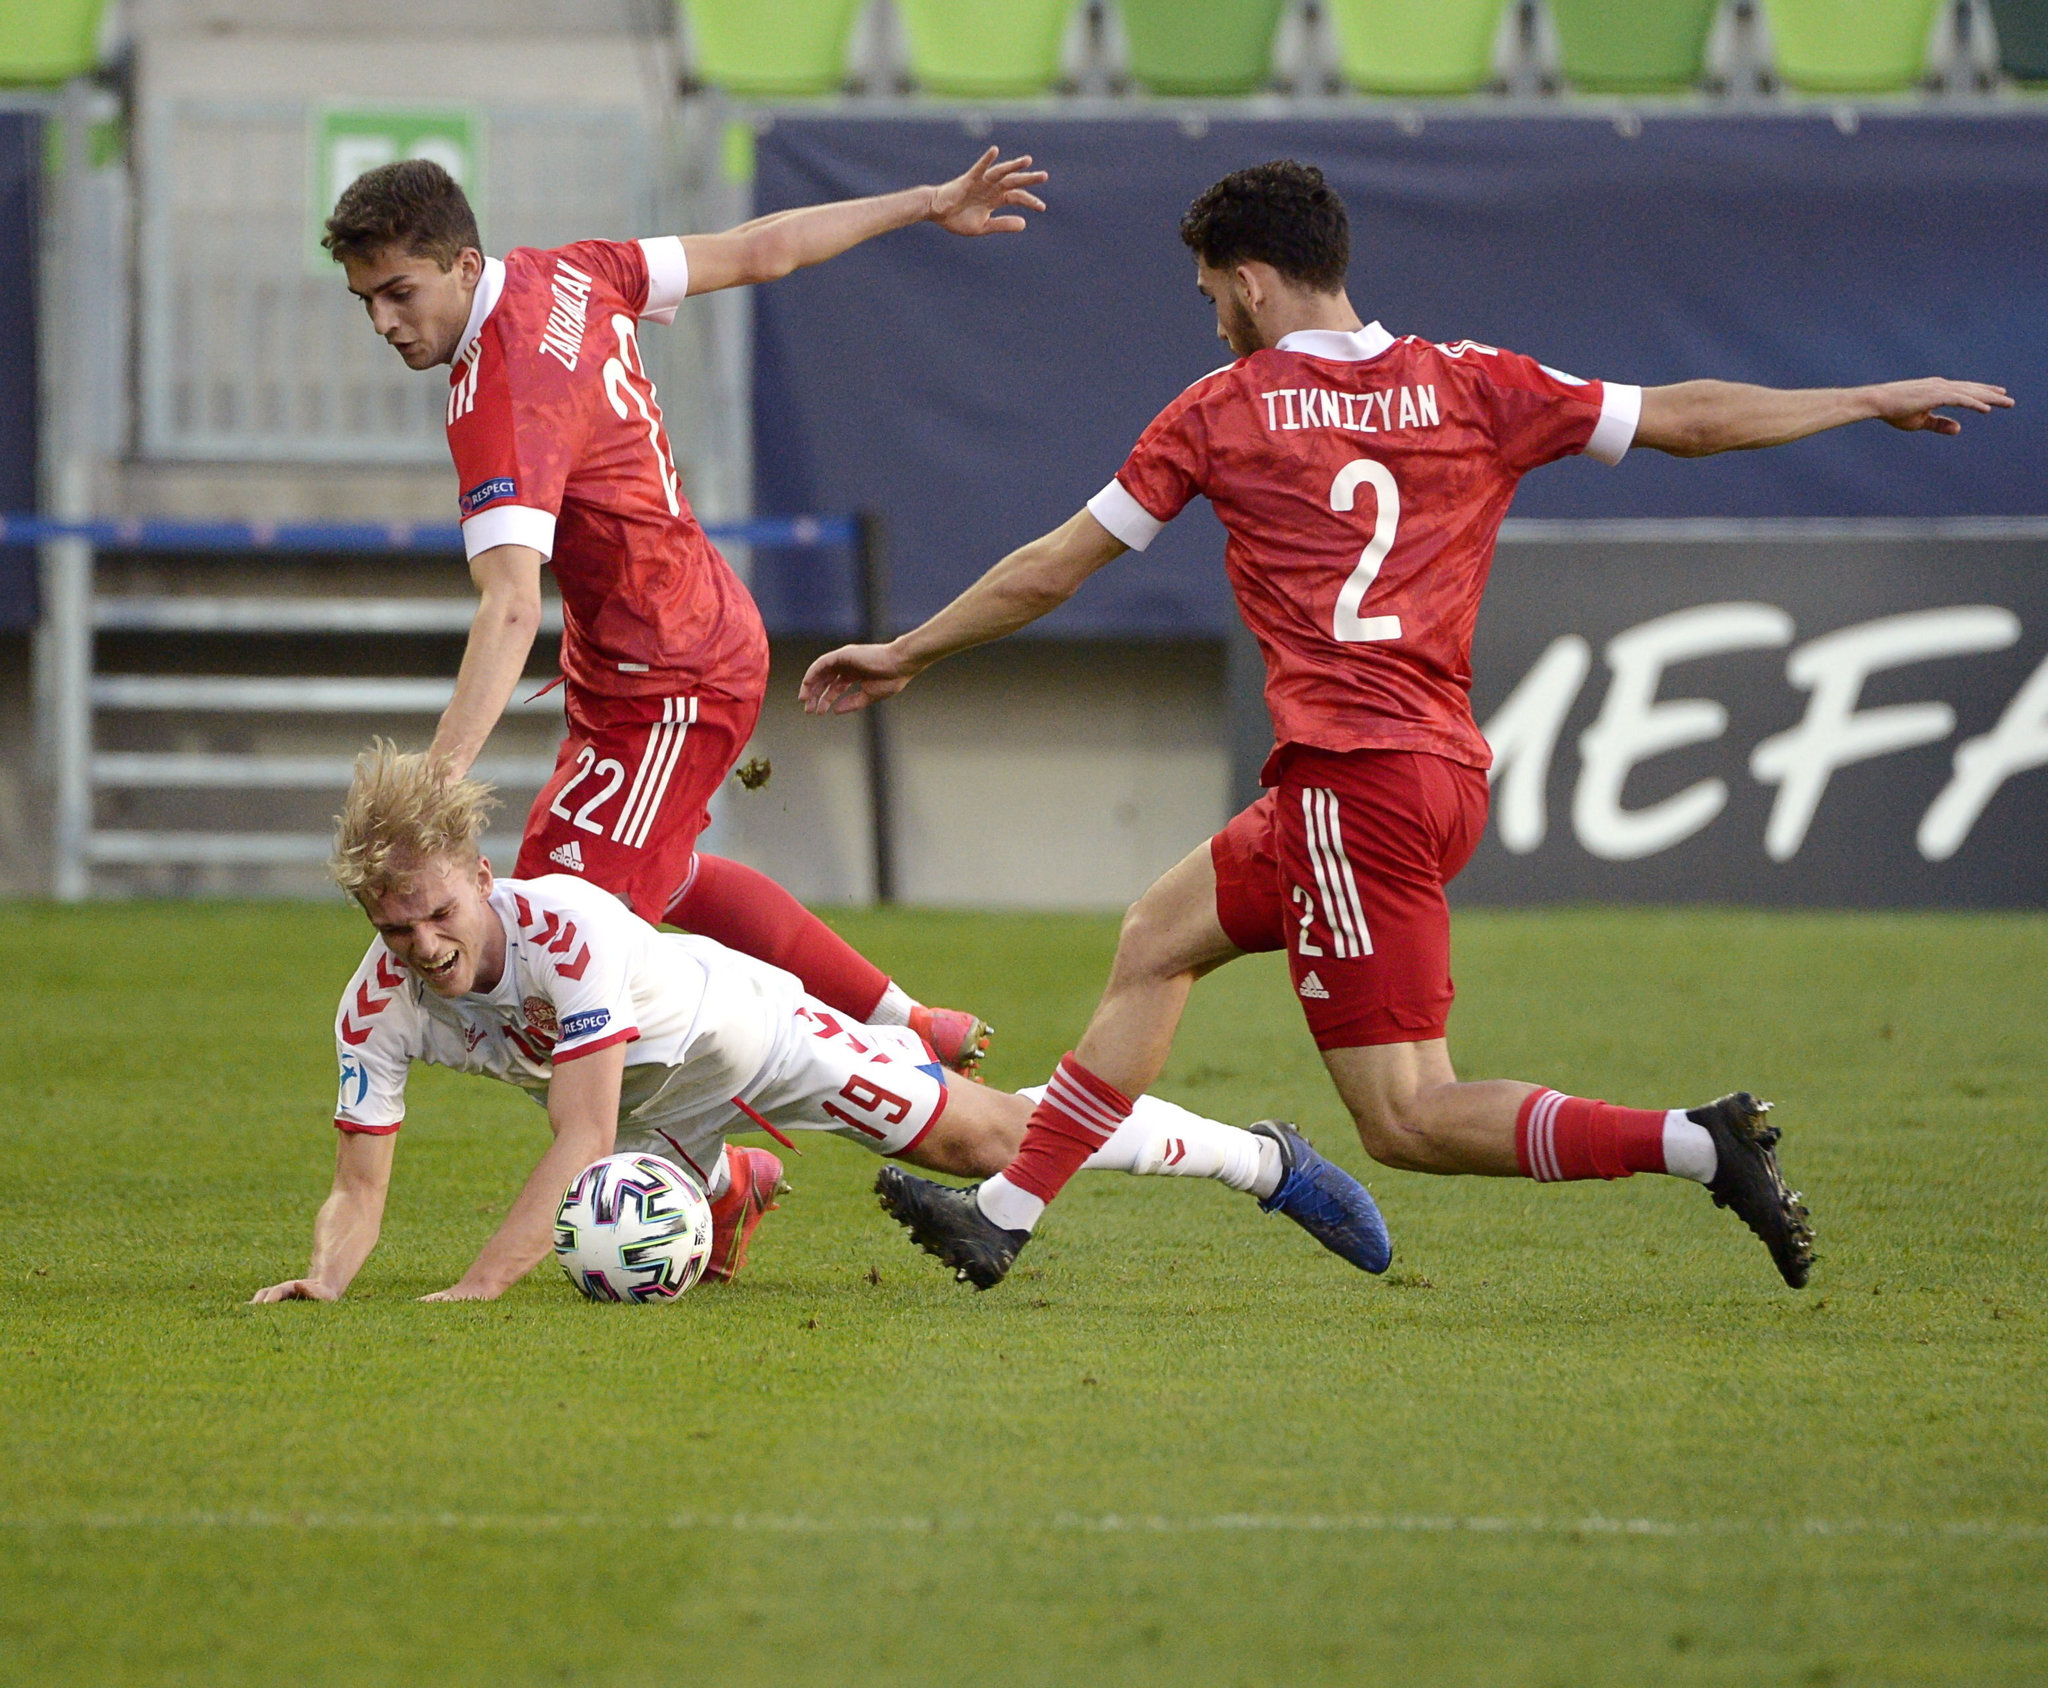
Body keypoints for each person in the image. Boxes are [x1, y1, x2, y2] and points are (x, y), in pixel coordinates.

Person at [800, 159, 2017, 1291]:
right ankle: (1001, 1217)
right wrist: (1863, 396)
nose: (1211, 315)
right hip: (1410, 773)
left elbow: (1055, 566)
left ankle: (1697, 1143)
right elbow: (1684, 416)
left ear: (1250, 278)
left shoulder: (1221, 409)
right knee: (1157, 936)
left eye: (1210, 291)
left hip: (1351, 780)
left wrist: (908, 648)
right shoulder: (1474, 382)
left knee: (1405, 1117)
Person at [319, 149, 1052, 1073]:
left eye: (399, 293)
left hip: (673, 674)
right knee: (652, 879)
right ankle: (903, 1023)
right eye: (366, 303)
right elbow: (760, 250)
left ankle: (821, 1115)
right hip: (639, 652)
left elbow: (508, 608)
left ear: (465, 266)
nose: (385, 322)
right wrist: (926, 199)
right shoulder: (571, 271)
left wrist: (435, 786)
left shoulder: (500, 397)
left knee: (555, 952)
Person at [249, 745, 1392, 1305]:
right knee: (623, 1243)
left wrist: (481, 1283)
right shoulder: (376, 1001)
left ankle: (1261, 1156)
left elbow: (578, 1131)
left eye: (438, 913)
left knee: (991, 1142)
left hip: (756, 1040)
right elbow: (358, 1186)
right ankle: (719, 1183)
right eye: (394, 929)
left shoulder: (569, 930)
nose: (424, 947)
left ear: (481, 876)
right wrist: (325, 1278)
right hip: (659, 1108)